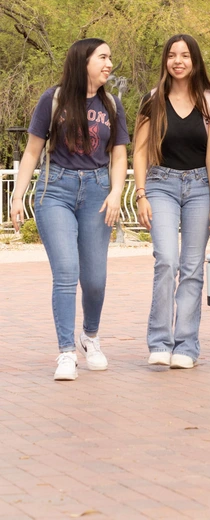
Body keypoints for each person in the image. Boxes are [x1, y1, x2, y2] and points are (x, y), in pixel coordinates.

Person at [10, 39, 129, 381]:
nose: (109, 63)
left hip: (97, 192)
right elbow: (33, 151)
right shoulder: (55, 98)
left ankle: (89, 337)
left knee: (93, 279)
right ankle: (65, 352)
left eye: (110, 57)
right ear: (84, 61)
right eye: (103, 57)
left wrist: (117, 192)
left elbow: (119, 154)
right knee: (66, 272)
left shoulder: (112, 105)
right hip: (55, 190)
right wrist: (18, 195)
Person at [134, 35, 210, 370]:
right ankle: (159, 342)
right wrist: (141, 193)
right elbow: (140, 151)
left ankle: (186, 345)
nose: (178, 61)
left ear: (195, 61)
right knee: (166, 261)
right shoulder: (152, 100)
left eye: (185, 55)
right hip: (161, 185)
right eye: (172, 55)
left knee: (192, 268)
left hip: (200, 186)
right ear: (165, 61)